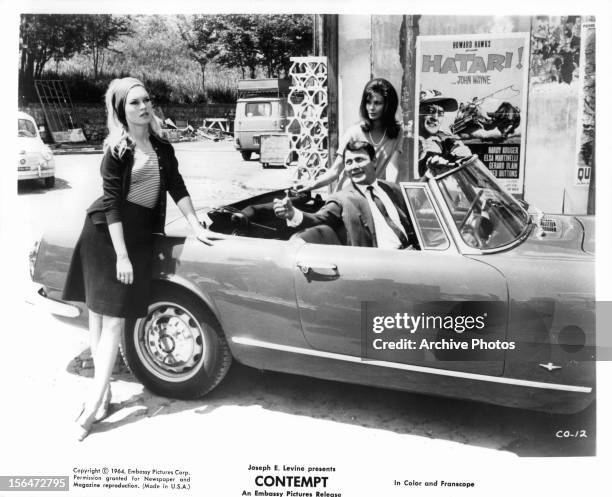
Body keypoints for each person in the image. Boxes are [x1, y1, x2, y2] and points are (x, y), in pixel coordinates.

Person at [62, 77, 221, 441]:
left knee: (112, 321)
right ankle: (95, 406)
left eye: (146, 100)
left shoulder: (162, 147)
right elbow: (112, 205)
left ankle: (97, 402)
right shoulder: (116, 150)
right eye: (133, 103)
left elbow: (177, 186)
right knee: (103, 320)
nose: (143, 107)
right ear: (121, 110)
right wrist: (122, 256)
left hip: (138, 238)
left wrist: (196, 225)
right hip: (106, 237)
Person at [275, 141, 417, 250]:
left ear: (374, 162)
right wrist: (293, 214)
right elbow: (319, 219)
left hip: (413, 255)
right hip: (380, 269)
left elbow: (414, 204)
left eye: (359, 160)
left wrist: (431, 175)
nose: (354, 166)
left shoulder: (390, 188)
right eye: (349, 162)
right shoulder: (341, 199)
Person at [297, 78, 404, 192]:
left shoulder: (396, 132)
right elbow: (335, 171)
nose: (371, 108)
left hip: (372, 195)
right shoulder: (354, 132)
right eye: (368, 102)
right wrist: (312, 185)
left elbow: (393, 168)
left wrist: (391, 194)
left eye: (377, 103)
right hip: (347, 195)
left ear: (389, 106)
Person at [418, 89, 472, 177]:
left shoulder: (445, 139)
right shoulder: (404, 138)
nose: (435, 117)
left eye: (440, 113)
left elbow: (466, 160)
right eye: (430, 111)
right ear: (417, 112)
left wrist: (463, 156)